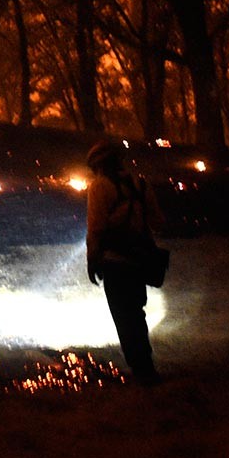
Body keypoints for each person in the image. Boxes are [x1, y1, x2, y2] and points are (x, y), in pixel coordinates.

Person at [85, 138, 165, 386]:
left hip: (115, 263)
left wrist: (92, 260)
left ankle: (141, 370)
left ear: (97, 165)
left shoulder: (99, 187)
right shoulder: (140, 184)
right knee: (136, 313)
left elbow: (96, 228)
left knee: (123, 316)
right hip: (138, 262)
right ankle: (146, 365)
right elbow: (157, 222)